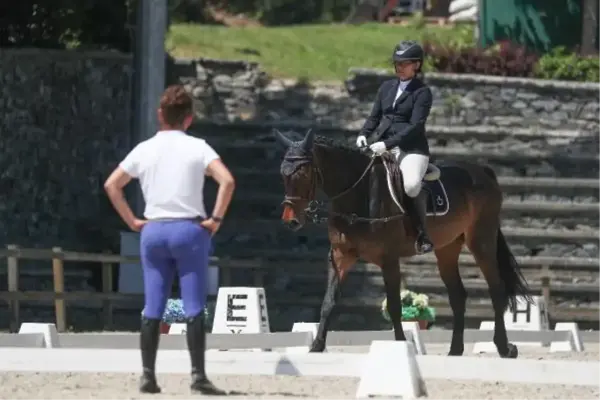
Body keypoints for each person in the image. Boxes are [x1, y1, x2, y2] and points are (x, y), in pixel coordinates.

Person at [104, 84, 235, 394]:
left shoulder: (144, 149)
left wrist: (133, 220)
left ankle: (148, 375)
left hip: (154, 230)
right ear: (188, 119)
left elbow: (113, 185)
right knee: (192, 305)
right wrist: (215, 219)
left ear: (159, 114)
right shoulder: (199, 147)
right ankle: (197, 376)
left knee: (153, 304)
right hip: (190, 231)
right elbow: (227, 181)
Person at [355, 40, 434, 254]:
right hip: (381, 145)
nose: (399, 67)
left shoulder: (422, 92)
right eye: (397, 63)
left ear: (416, 65)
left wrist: (387, 144)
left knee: (410, 186)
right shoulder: (386, 87)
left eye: (404, 63)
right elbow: (374, 117)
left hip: (411, 149)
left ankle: (421, 233)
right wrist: (363, 134)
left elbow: (416, 126)